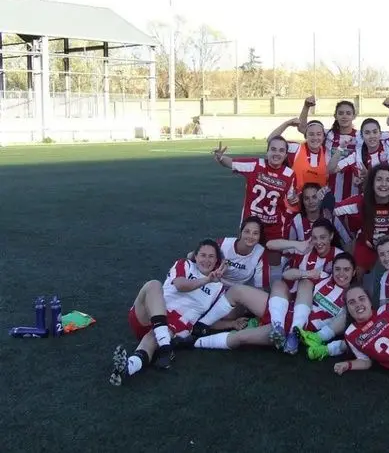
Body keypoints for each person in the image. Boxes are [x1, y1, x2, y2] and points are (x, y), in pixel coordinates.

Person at [177, 253, 357, 355]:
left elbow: (342, 324)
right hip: (284, 311)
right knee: (245, 289)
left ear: (354, 272)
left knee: (241, 337)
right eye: (337, 269)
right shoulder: (323, 277)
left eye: (346, 270)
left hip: (303, 330)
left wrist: (320, 340)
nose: (341, 274)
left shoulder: (352, 297)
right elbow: (288, 276)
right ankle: (201, 325)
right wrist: (307, 273)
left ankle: (194, 343)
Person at [109, 239, 226, 386]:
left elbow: (213, 317)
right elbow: (181, 285)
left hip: (177, 322)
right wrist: (206, 280)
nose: (206, 260)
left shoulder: (219, 288)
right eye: (203, 255)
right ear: (195, 256)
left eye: (211, 256)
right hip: (153, 311)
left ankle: (128, 367)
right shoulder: (185, 264)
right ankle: (165, 345)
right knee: (153, 284)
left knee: (151, 337)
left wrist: (233, 323)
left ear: (216, 260)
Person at [332, 163, 389, 280]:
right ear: (372, 183)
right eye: (379, 179)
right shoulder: (361, 200)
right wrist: (348, 236)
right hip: (368, 243)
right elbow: (334, 210)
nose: (383, 184)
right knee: (355, 274)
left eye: (388, 180)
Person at [212, 138, 296, 266]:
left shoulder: (289, 174)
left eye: (281, 150)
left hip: (274, 227)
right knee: (244, 261)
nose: (276, 153)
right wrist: (221, 157)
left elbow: (291, 198)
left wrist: (294, 198)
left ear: (285, 155)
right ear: (267, 151)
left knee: (273, 265)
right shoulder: (255, 165)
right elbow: (232, 163)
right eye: (273, 149)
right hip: (251, 225)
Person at [264, 218, 343, 354]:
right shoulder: (305, 248)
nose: (318, 242)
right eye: (314, 238)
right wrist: (297, 244)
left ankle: (295, 331)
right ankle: (278, 327)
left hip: (314, 305)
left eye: (323, 237)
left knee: (306, 282)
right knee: (278, 284)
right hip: (288, 298)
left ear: (331, 236)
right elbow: (270, 245)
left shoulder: (339, 256)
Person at [328, 117, 389, 190]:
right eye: (367, 133)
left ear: (380, 134)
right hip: (369, 199)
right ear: (362, 136)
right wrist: (340, 148)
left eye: (375, 132)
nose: (371, 136)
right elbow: (331, 170)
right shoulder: (357, 155)